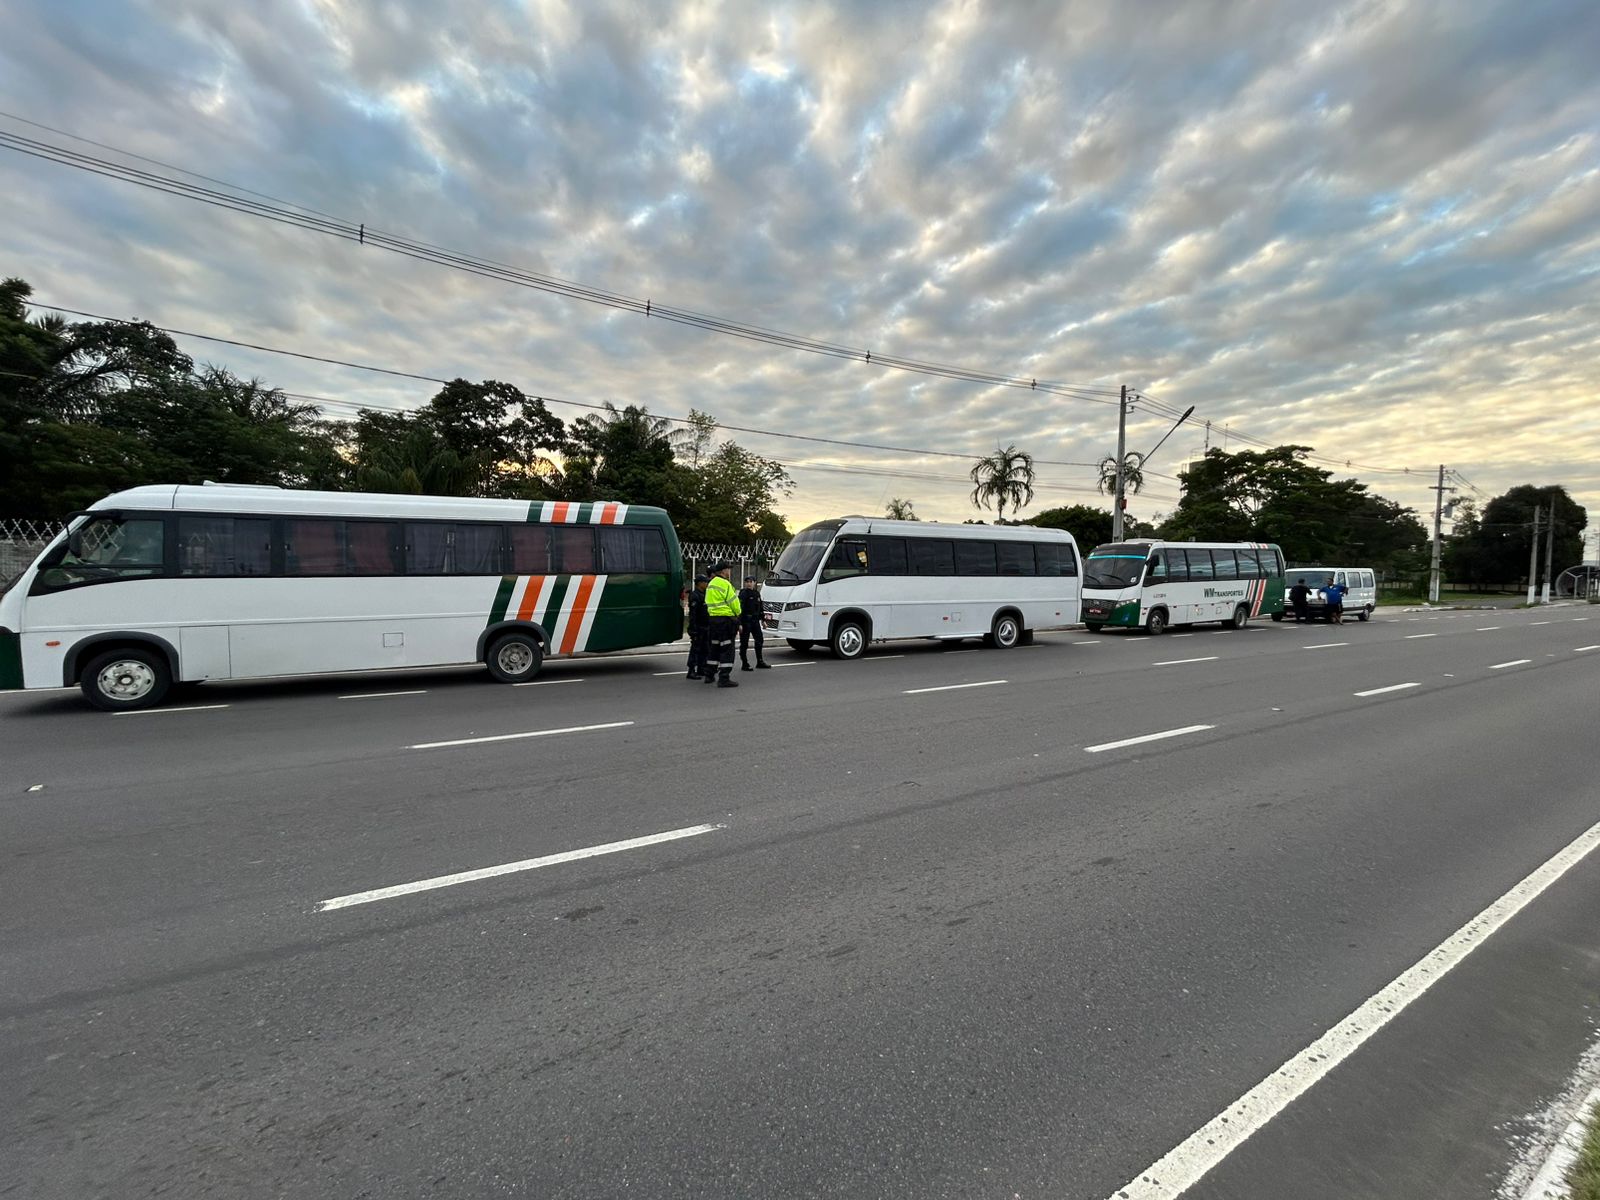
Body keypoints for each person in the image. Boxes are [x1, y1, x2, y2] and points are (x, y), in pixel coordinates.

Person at [703, 561, 742, 688]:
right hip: (725, 620)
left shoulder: (711, 584)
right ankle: (724, 678)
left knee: (714, 648)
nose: (729, 571)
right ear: (724, 571)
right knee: (727, 649)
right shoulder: (725, 584)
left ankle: (709, 675)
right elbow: (734, 603)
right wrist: (738, 614)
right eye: (728, 569)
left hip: (713, 620)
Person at [737, 574, 771, 671]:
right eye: (747, 582)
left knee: (759, 640)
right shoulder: (743, 594)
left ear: (754, 583)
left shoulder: (757, 594)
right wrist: (739, 623)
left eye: (750, 582)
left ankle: (760, 661)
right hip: (746, 621)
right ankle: (744, 663)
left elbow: (760, 608)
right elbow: (739, 609)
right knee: (744, 643)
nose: (749, 584)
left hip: (755, 621)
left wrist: (763, 620)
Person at [685, 573, 710, 680]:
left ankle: (701, 668)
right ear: (699, 583)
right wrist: (693, 629)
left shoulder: (705, 594)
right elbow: (693, 615)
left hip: (705, 626)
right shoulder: (695, 595)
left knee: (705, 649)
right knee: (695, 649)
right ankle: (691, 670)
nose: (707, 584)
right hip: (698, 627)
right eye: (705, 582)